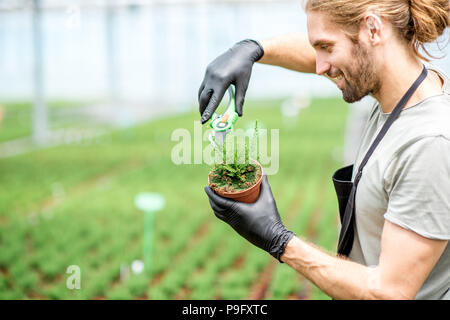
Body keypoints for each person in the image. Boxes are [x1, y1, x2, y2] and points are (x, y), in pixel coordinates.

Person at [199, 0, 450, 300]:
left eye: (326, 48)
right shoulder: (397, 87)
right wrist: (252, 49)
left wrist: (279, 240)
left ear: (373, 28)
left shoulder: (429, 142)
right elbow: (329, 53)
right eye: (318, 48)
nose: (319, 67)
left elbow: (389, 292)